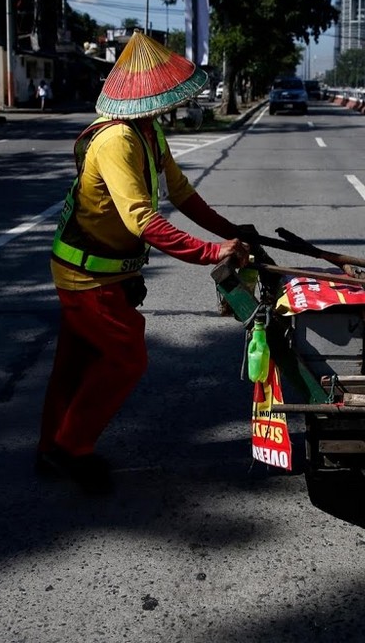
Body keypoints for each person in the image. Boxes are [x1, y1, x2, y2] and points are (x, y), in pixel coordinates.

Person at [38, 31, 251, 494]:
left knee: (76, 363)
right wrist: (213, 253)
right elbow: (142, 220)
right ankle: (70, 448)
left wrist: (231, 232)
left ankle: (49, 447)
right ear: (150, 95)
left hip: (107, 268)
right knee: (126, 356)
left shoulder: (148, 131)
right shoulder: (117, 139)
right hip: (84, 273)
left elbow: (181, 192)